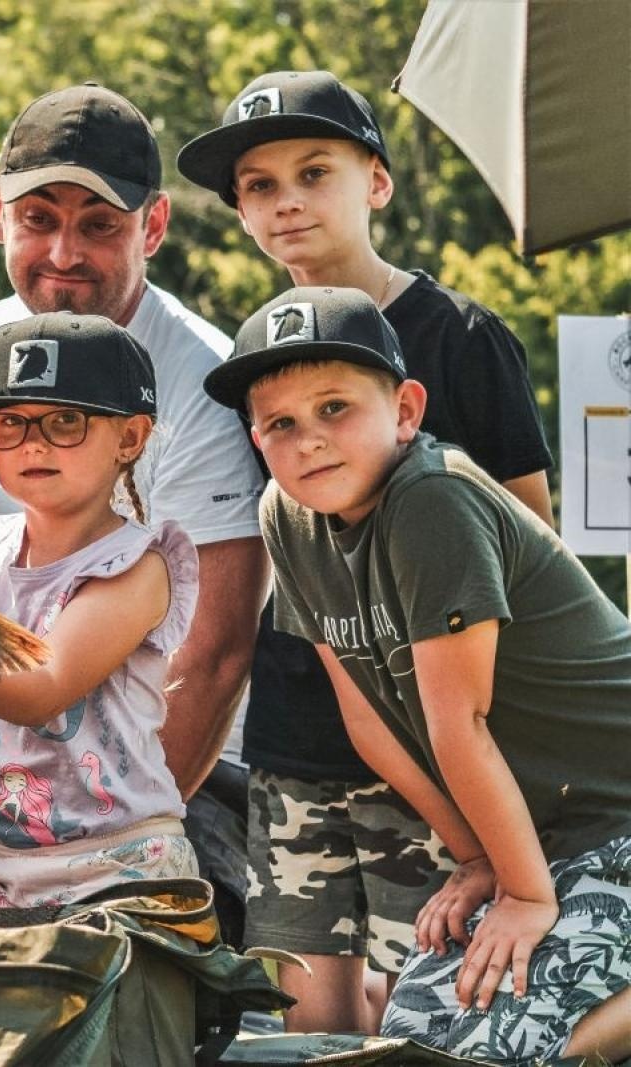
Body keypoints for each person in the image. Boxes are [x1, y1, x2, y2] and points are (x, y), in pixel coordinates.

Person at [177, 70, 556, 1032]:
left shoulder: (463, 338)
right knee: (300, 1024)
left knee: (434, 1014)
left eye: (314, 170)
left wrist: (483, 799)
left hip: (438, 753)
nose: (287, 199)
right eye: (258, 185)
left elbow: (532, 552)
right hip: (295, 739)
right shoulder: (249, 366)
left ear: (377, 182)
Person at [204, 285, 631, 1064]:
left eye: (335, 408)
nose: (309, 442)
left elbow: (457, 724)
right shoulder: (285, 515)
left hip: (619, 814)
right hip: (545, 834)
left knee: (507, 1048)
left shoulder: (432, 498)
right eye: (281, 424)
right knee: (417, 1037)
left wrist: (527, 896)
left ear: (405, 410)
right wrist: (478, 862)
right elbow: (369, 720)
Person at [0, 83, 267, 945]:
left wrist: (75, 850)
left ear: (153, 228)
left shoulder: (207, 384)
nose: (63, 252)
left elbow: (215, 658)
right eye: (39, 218)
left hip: (159, 782)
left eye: (100, 224)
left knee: (140, 956)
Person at [0, 312, 199, 907]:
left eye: (65, 421)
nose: (33, 442)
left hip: (128, 867)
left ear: (130, 437)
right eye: (9, 423)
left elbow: (42, 687)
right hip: (9, 866)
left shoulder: (138, 565)